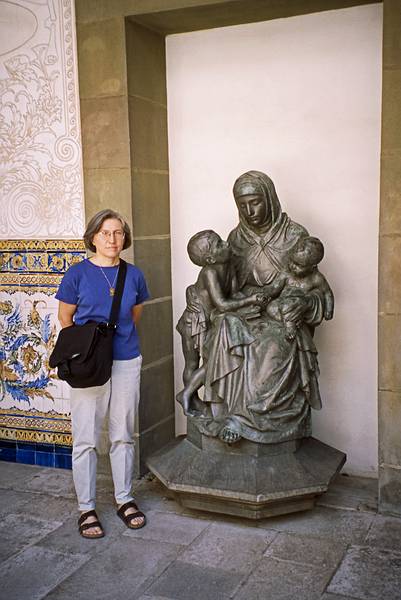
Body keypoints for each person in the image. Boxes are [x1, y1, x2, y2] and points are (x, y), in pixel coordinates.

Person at [188, 171, 333, 445]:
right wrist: (200, 299)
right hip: (243, 311)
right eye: (242, 205)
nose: (249, 210)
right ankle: (224, 415)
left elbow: (316, 289)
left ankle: (248, 420)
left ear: (269, 198)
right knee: (224, 330)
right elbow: (220, 284)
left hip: (280, 317)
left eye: (255, 202)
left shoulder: (295, 235)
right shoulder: (235, 239)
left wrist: (303, 304)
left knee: (270, 347)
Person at [56, 209, 150, 539]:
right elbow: (66, 318)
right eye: (106, 233)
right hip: (89, 365)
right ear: (93, 236)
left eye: (119, 233)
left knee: (122, 433)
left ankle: (124, 499)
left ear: (125, 238)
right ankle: (87, 507)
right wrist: (89, 352)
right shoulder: (77, 274)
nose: (112, 239)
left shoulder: (134, 275)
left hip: (125, 360)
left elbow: (133, 316)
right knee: (86, 438)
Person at [176, 230, 266, 415]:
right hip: (195, 321)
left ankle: (187, 395)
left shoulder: (228, 265)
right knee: (193, 364)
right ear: (209, 259)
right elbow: (223, 304)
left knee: (212, 360)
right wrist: (250, 301)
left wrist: (254, 301)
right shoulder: (210, 272)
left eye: (221, 240)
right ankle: (189, 397)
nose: (225, 243)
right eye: (218, 244)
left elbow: (234, 296)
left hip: (211, 319)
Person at [261, 235, 334, 340]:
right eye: (292, 261)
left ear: (312, 267)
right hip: (280, 303)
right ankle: (289, 322)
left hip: (296, 305)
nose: (293, 266)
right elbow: (275, 287)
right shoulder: (287, 273)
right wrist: (267, 293)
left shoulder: (316, 278)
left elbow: (327, 293)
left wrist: (329, 310)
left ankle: (290, 325)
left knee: (291, 306)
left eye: (299, 265)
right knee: (271, 308)